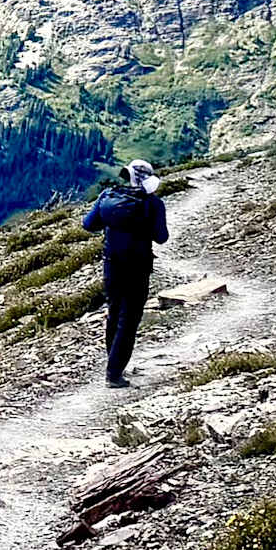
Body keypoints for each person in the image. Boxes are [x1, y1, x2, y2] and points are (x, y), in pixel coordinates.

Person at [79, 160, 169, 387]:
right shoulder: (153, 203)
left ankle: (114, 364)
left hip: (111, 264)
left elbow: (88, 224)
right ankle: (114, 374)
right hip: (137, 266)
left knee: (114, 313)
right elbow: (161, 237)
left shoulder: (108, 195)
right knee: (129, 320)